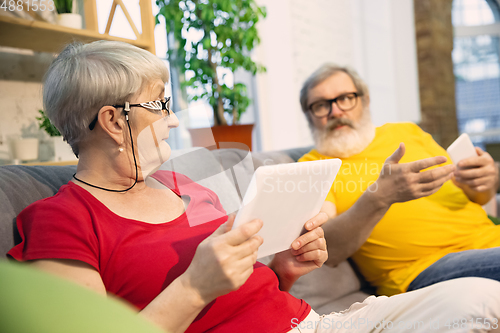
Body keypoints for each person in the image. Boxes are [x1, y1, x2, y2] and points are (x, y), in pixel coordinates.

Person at [6, 41, 500, 333]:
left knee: (483, 298)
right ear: (114, 121)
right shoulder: (61, 221)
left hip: (320, 323)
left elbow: (250, 286)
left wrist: (283, 269)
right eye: (160, 106)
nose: (175, 120)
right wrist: (195, 287)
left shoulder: (182, 187)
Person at [299, 63, 500, 297]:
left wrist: (484, 181)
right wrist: (379, 197)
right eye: (321, 105)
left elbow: (475, 195)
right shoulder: (313, 167)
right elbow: (328, 248)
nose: (335, 112)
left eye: (345, 98)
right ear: (309, 116)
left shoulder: (407, 132)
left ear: (365, 100)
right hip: (423, 268)